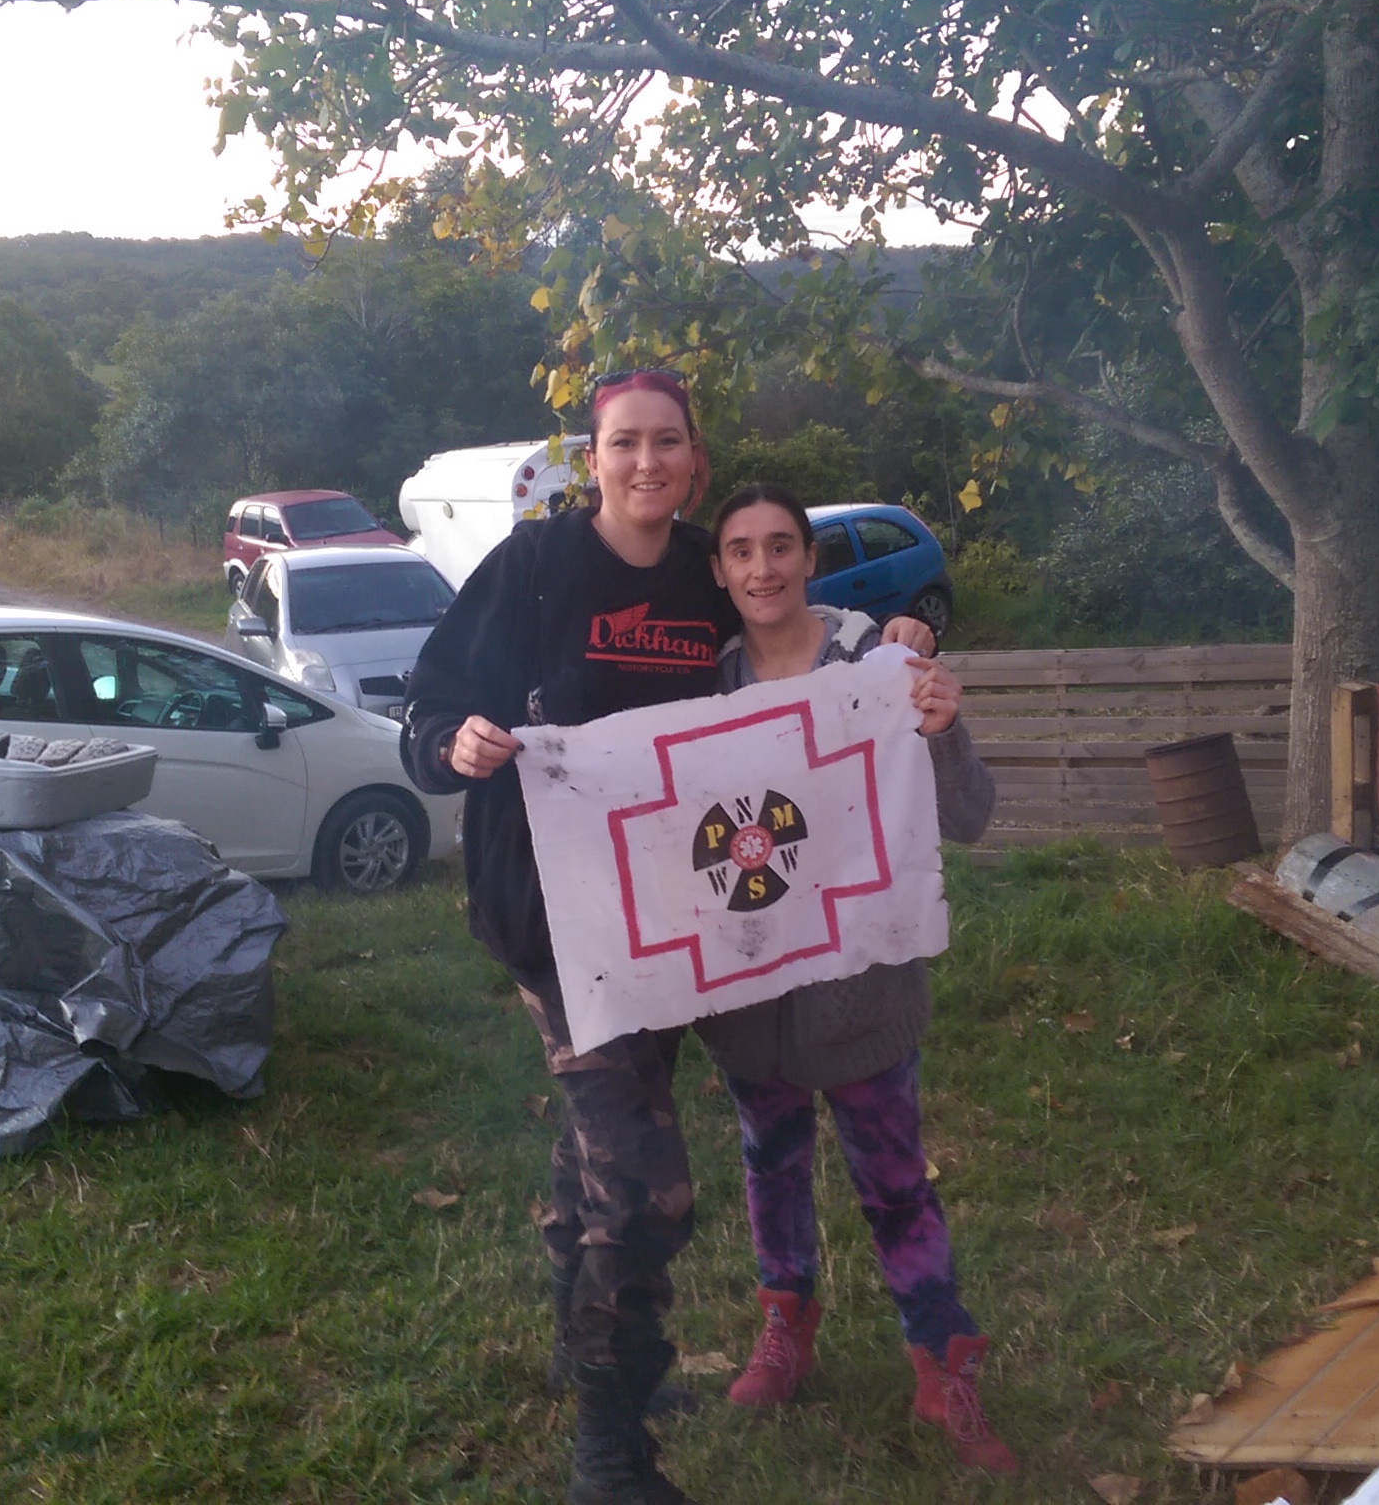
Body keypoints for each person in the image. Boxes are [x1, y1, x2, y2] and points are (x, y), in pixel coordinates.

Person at [400, 374, 934, 1505]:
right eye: (624, 442)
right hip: (555, 917)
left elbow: (795, 636)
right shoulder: (536, 565)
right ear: (592, 458)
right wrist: (455, 742)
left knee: (599, 1141)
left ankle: (578, 1346)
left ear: (695, 458)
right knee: (646, 1187)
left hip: (680, 917)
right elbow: (431, 701)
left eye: (668, 442)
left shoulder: (705, 569)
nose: (647, 461)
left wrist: (895, 640)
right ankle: (610, 1451)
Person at [691, 482, 1018, 1474]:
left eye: (780, 545)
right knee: (771, 1168)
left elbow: (969, 816)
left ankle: (942, 1363)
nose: (762, 567)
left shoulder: (875, 663)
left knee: (895, 1183)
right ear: (720, 570)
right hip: (754, 996)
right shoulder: (703, 684)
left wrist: (938, 726)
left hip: (863, 985)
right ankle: (785, 1327)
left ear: (808, 557)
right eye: (741, 549)